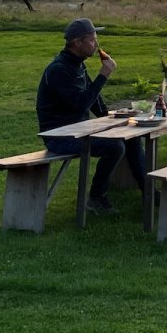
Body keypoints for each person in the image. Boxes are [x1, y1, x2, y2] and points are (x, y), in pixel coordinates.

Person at [36, 17, 145, 213]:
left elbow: (92, 99)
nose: (97, 44)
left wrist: (114, 116)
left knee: (131, 136)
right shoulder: (58, 70)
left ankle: (148, 192)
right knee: (114, 146)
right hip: (59, 136)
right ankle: (96, 197)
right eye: (92, 40)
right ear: (77, 43)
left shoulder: (79, 64)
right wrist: (103, 74)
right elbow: (80, 105)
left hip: (80, 130)